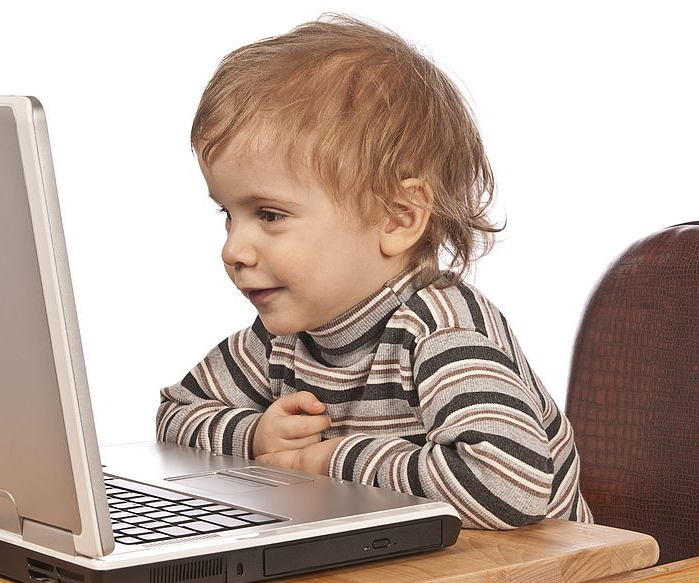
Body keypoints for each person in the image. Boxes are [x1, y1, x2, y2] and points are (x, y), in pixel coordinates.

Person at [156, 13, 593, 529]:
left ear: (398, 217)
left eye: (269, 215)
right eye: (227, 215)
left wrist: (327, 461)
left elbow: (510, 487)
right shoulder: (282, 337)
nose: (234, 249)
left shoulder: (441, 332)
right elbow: (175, 416)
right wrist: (254, 435)